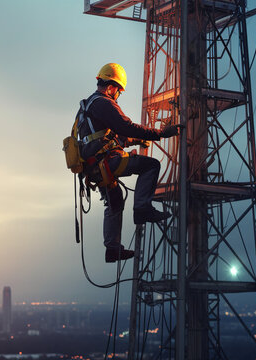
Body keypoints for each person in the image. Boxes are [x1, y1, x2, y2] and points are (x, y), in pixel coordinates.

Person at [78, 63, 181, 263]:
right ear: (112, 87)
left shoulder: (87, 105)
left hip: (94, 167)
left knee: (115, 199)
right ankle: (142, 208)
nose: (118, 95)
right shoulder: (104, 103)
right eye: (118, 91)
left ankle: (112, 249)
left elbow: (110, 137)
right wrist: (160, 133)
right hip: (106, 163)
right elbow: (126, 127)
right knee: (151, 165)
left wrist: (136, 140)